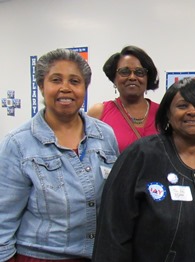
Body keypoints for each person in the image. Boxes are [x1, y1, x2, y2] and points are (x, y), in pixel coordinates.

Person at [93, 78, 195, 261]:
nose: (193, 112)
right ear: (167, 113)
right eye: (182, 106)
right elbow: (113, 228)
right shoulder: (142, 155)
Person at [0, 48, 119, 262]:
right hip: (41, 256)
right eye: (56, 80)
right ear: (41, 87)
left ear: (84, 88)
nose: (66, 88)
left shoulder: (104, 135)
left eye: (75, 81)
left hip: (99, 253)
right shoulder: (18, 143)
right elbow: (3, 219)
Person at [88, 45, 160, 152]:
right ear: (114, 78)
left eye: (139, 72)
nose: (132, 77)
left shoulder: (163, 113)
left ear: (148, 78)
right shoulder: (98, 113)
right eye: (124, 72)